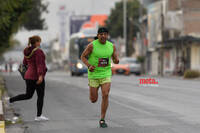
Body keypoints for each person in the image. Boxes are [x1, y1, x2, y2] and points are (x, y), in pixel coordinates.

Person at [81, 27, 119, 128]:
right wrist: (89, 66)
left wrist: (116, 60)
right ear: (98, 35)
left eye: (105, 34)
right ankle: (93, 91)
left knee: (105, 94)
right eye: (101, 34)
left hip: (106, 73)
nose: (103, 36)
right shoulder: (92, 45)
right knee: (93, 99)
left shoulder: (111, 46)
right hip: (93, 74)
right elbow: (83, 56)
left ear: (107, 35)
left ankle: (102, 119)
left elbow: (115, 58)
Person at [8, 35, 49, 121]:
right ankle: (38, 116)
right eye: (39, 41)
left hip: (28, 76)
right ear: (36, 42)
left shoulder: (27, 51)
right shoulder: (38, 51)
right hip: (37, 77)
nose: (40, 43)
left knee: (28, 95)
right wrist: (41, 76)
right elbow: (39, 64)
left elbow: (24, 62)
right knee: (40, 96)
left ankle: (10, 100)